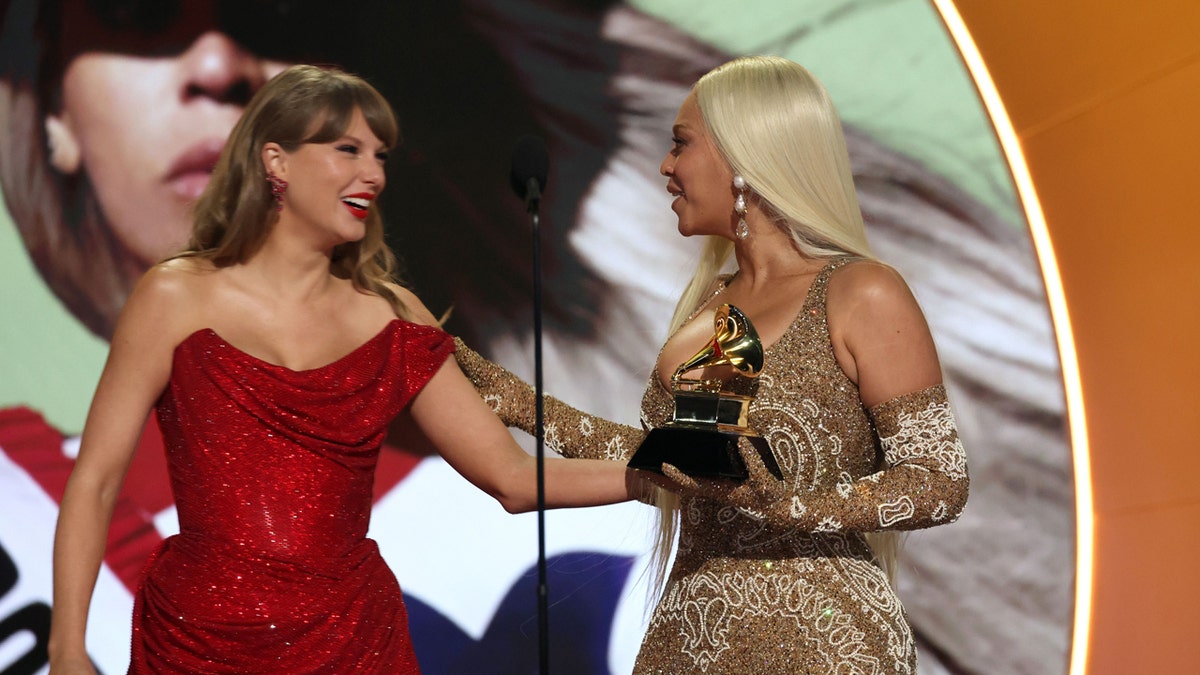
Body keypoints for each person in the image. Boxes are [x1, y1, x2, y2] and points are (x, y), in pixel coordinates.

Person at [46, 64, 644, 674]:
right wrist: (67, 650)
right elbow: (94, 482)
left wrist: (660, 475)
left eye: (381, 156)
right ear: (275, 161)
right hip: (197, 642)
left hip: (353, 641)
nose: (375, 175)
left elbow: (513, 479)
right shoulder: (174, 296)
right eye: (348, 150)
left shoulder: (392, 316)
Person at [457, 55, 970, 673]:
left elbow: (938, 479)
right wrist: (499, 392)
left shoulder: (862, 291)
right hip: (691, 628)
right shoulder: (709, 302)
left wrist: (789, 507)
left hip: (824, 639)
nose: (666, 168)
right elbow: (665, 459)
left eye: (680, 145)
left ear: (746, 156)